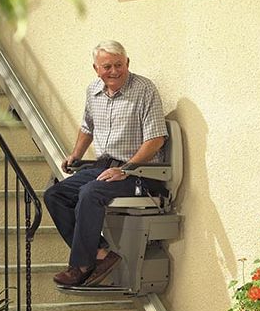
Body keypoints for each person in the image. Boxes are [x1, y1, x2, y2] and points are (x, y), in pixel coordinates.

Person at [44, 40, 168, 287]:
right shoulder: (93, 91)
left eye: (119, 65)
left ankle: (80, 265)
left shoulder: (144, 89)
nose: (114, 71)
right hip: (104, 166)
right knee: (54, 195)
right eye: (107, 66)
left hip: (139, 172)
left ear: (128, 63)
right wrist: (75, 155)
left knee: (89, 193)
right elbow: (87, 127)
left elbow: (156, 139)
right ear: (96, 68)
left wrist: (125, 170)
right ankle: (101, 253)